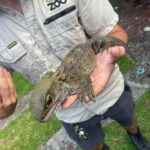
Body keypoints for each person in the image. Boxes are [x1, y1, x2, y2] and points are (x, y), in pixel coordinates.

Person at [0, 0, 149, 150]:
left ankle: (135, 134)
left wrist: (111, 52)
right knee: (90, 143)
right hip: (72, 116)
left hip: (111, 90)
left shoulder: (68, 81)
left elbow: (115, 33)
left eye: (49, 100)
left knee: (128, 117)